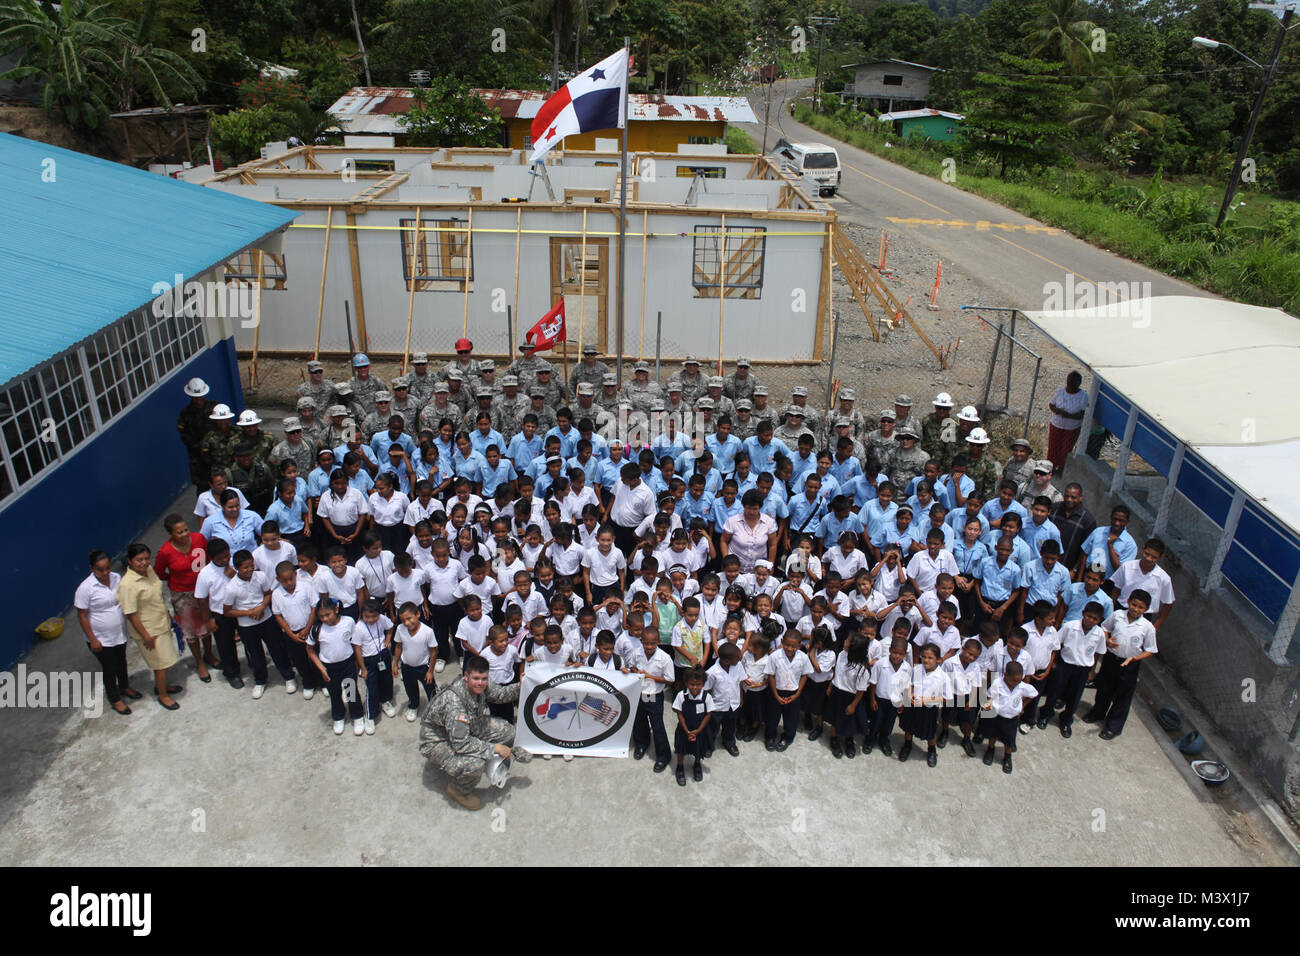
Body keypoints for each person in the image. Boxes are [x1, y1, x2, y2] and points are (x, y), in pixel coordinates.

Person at [419, 654, 531, 810]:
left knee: (508, 732)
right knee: (475, 764)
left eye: (484, 678)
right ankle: (458, 790)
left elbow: (500, 694)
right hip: (439, 740)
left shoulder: (482, 685)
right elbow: (461, 744)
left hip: (468, 727)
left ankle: (482, 751)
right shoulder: (454, 704)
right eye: (476, 678)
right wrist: (494, 748)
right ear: (466, 676)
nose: (480, 683)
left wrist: (523, 684)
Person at [1084, 589, 1159, 739]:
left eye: (1140, 607)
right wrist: (1107, 640)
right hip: (1112, 659)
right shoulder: (1117, 615)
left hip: (1130, 664)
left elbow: (1151, 650)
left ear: (1146, 609)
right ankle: (1097, 713)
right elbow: (1105, 628)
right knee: (1104, 688)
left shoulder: (1147, 627)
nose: (1136, 609)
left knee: (1123, 696)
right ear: (1128, 602)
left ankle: (1114, 726)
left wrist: (1135, 658)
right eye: (1134, 604)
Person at [117, 542, 182, 710]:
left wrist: (167, 613)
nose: (144, 563)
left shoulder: (149, 571)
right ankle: (163, 695)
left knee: (163, 662)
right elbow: (131, 614)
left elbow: (158, 594)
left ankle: (162, 686)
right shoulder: (127, 584)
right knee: (160, 663)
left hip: (161, 622)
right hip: (149, 631)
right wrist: (146, 636)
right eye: (139, 560)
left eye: (147, 558)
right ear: (130, 561)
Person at [153, 514, 216, 683]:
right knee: (191, 630)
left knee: (206, 623)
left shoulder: (199, 539)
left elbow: (209, 560)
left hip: (203, 591)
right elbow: (159, 572)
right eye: (179, 532)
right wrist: (177, 580)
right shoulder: (165, 552)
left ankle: (209, 653)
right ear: (170, 534)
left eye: (186, 530)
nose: (184, 534)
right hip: (182, 595)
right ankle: (199, 661)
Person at [75, 551, 134, 716]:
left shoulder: (116, 578)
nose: (105, 572)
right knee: (109, 667)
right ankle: (115, 699)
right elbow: (82, 615)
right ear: (92, 568)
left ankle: (125, 687)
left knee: (122, 661)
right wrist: (93, 639)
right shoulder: (85, 589)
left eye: (107, 568)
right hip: (101, 639)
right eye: (100, 569)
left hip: (119, 633)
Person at [1038, 601, 1107, 737]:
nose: (1091, 620)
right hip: (1065, 665)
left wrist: (1092, 670)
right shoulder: (1070, 626)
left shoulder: (1099, 634)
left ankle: (1066, 721)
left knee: (1075, 696)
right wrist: (1054, 662)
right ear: (1083, 614)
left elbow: (1098, 652)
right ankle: (1046, 715)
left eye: (1095, 619)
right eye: (1089, 616)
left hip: (1083, 668)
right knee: (1054, 691)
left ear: (1099, 620)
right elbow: (1057, 644)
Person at [307, 597, 367, 736]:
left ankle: (357, 715)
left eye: (328, 615)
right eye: (321, 616)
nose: (325, 619)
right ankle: (338, 716)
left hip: (347, 664)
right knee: (334, 693)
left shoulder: (348, 622)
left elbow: (355, 643)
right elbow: (310, 650)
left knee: (351, 690)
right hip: (328, 668)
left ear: (336, 609)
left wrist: (358, 664)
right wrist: (322, 668)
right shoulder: (316, 629)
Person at [981, 660, 1036, 774]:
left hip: (1012, 718)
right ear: (1005, 675)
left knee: (1009, 739)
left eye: (1019, 680)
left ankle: (1007, 756)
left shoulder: (1022, 686)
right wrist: (988, 705)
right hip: (997, 716)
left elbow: (1033, 694)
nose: (1016, 683)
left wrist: (1022, 706)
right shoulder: (998, 683)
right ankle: (990, 749)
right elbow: (990, 696)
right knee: (993, 735)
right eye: (1013, 680)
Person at [1108, 538, 1175, 630]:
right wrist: (1110, 614)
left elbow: (1168, 603)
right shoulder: (1127, 567)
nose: (1148, 558)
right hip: (1121, 611)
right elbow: (1116, 591)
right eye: (1147, 554)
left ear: (1160, 557)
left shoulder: (1163, 578)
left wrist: (1156, 626)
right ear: (1143, 548)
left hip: (1144, 619)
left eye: (1153, 557)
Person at [672, 667, 718, 785]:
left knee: (699, 748)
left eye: (698, 684)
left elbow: (708, 715)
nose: (695, 687)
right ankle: (680, 767)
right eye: (692, 684)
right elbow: (679, 713)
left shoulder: (706, 697)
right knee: (681, 749)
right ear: (686, 683)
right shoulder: (681, 696)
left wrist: (698, 730)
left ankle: (697, 765)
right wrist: (687, 731)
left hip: (700, 730)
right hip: (684, 730)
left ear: (703, 684)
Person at [721, 489, 779, 572]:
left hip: (759, 570)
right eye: (748, 508)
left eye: (755, 509)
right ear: (743, 506)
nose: (751, 512)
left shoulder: (769, 522)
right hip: (736, 570)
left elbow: (772, 545)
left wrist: (771, 564)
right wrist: (727, 562)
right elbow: (724, 541)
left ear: (760, 507)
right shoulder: (733, 521)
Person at [178, 377, 215, 494]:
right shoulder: (185, 414)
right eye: (196, 398)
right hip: (199, 459)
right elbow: (185, 436)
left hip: (217, 454)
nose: (199, 400)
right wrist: (201, 447)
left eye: (200, 397)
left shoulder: (214, 408)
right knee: (203, 488)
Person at [1047, 371, 1088, 475]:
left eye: (1073, 382)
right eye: (1069, 381)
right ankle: (1050, 467)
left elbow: (1083, 414)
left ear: (1079, 383)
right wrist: (1057, 411)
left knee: (1066, 449)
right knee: (1053, 446)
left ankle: (1061, 468)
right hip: (1056, 424)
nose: (1070, 384)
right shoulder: (1061, 391)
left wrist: (1068, 416)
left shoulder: (1083, 396)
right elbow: (1051, 405)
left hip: (1072, 428)